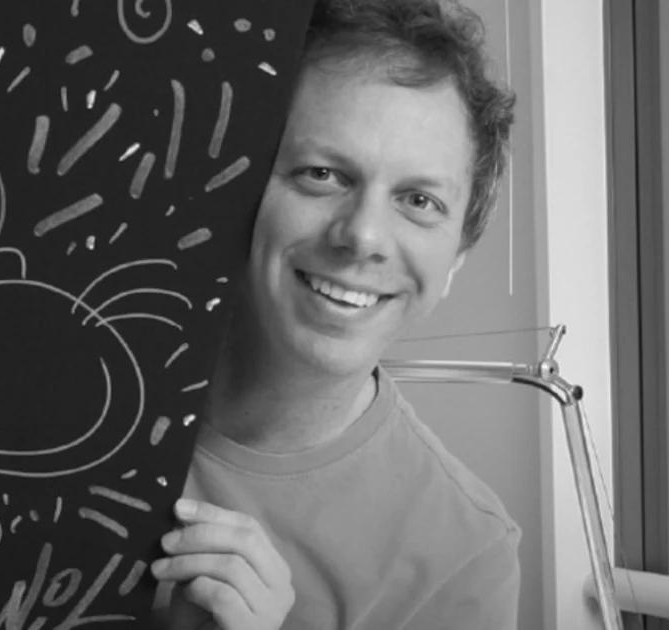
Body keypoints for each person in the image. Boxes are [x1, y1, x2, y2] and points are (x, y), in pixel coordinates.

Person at [150, 0, 520, 628]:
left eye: (419, 200)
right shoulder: (72, 376)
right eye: (322, 174)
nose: (363, 236)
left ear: (458, 256)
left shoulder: (465, 555)